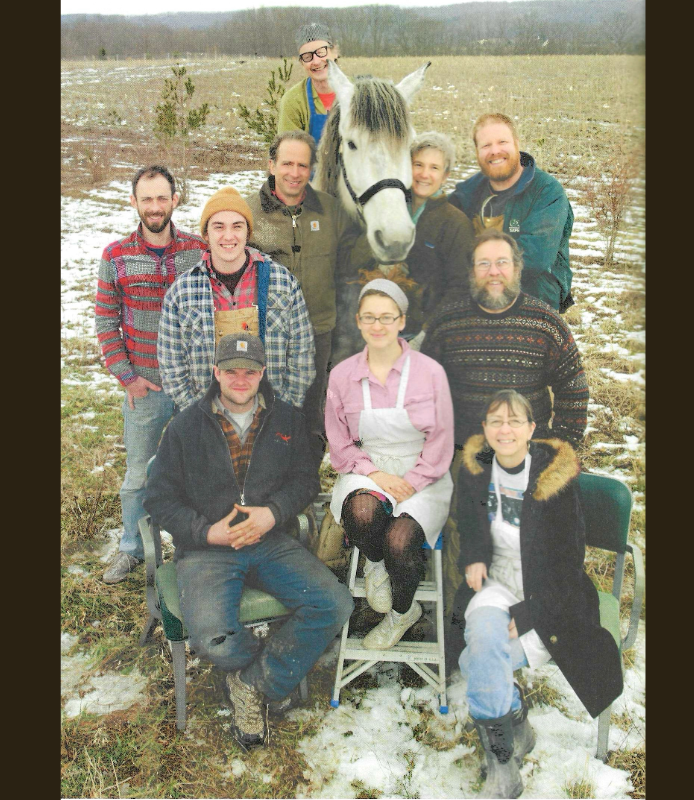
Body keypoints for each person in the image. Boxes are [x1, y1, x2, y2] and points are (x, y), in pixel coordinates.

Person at [144, 332, 354, 749]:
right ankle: (266, 674)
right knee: (210, 640)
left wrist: (272, 513)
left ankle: (250, 684)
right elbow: (159, 498)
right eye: (231, 371)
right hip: (208, 550)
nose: (241, 379)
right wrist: (206, 531)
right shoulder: (184, 427)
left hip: (269, 539)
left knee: (335, 603)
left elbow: (304, 481)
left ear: (262, 373)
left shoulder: (288, 420)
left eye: (250, 371)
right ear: (216, 372)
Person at [453, 389, 622, 797]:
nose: (504, 429)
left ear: (531, 429)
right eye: (495, 421)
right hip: (496, 585)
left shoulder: (554, 481)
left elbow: (568, 564)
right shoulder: (476, 470)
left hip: (551, 598)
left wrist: (529, 614)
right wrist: (474, 556)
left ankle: (515, 725)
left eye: (514, 421)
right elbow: (470, 526)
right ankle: (503, 762)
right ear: (485, 429)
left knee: (475, 662)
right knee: (482, 646)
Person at [324, 279, 454, 649]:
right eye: (369, 318)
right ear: (358, 322)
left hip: (424, 470)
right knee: (364, 513)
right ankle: (376, 563)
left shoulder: (430, 374)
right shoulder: (343, 376)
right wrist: (376, 474)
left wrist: (411, 481)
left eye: (387, 317)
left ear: (402, 321)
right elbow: (340, 443)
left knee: (401, 540)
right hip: (368, 466)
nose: (378, 326)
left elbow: (442, 441)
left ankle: (402, 613)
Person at [94, 165, 205, 584]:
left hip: (193, 384)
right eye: (147, 199)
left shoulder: (198, 249)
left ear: (175, 200)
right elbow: (106, 322)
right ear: (134, 202)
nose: (155, 207)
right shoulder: (117, 255)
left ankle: (195, 546)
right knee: (139, 472)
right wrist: (127, 377)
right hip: (146, 385)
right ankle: (132, 547)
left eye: (163, 198)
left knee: (198, 466)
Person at [245, 130, 360, 459]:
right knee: (264, 415)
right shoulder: (248, 213)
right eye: (287, 163)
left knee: (312, 418)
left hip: (318, 331)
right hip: (266, 335)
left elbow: (354, 264)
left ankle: (304, 490)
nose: (295, 173)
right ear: (271, 165)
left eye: (303, 165)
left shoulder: (331, 211)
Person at [424, 228, 588, 451]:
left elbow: (573, 388)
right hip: (460, 454)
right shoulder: (446, 322)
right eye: (483, 264)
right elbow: (423, 391)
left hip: (527, 454)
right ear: (471, 271)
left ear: (517, 269)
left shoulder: (546, 323)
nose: (493, 272)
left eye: (502, 262)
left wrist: (559, 449)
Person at [157, 186, 315, 414]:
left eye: (237, 226)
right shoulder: (182, 292)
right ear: (206, 235)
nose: (228, 236)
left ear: (248, 233)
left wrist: (285, 410)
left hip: (270, 415)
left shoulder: (282, 283)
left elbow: (302, 354)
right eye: (218, 227)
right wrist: (197, 415)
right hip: (208, 418)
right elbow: (172, 366)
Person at [334, 131, 474, 362]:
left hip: (421, 336)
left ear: (446, 175)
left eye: (434, 168)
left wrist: (426, 335)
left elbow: (460, 287)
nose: (424, 174)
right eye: (418, 164)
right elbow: (349, 261)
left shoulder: (455, 223)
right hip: (372, 331)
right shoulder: (381, 209)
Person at [449, 112, 576, 313]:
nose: (495, 151)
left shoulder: (547, 191)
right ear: (477, 152)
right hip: (475, 303)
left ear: (517, 143)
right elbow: (439, 238)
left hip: (533, 306)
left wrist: (466, 261)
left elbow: (535, 258)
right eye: (486, 145)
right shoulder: (467, 192)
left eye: (502, 142)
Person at [278, 22, 341, 146]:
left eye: (321, 52)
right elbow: (289, 152)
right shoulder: (293, 101)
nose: (316, 61)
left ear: (335, 53)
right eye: (307, 57)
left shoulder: (357, 92)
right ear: (302, 63)